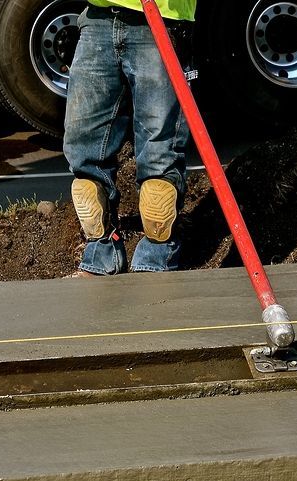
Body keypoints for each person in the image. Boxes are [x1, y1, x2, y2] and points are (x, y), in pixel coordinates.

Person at [63, 0, 196, 277]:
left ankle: (157, 257)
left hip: (160, 18)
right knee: (84, 153)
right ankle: (101, 254)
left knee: (160, 158)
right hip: (98, 19)